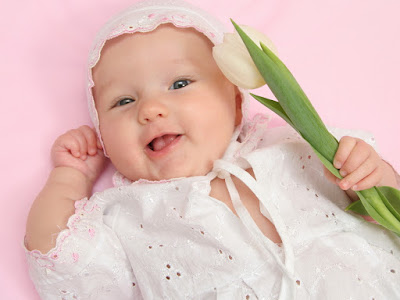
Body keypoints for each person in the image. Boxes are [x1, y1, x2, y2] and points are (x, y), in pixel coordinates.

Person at [24, 0, 400, 299]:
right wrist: (70, 178)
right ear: (103, 137)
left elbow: (385, 210)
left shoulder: (294, 149)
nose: (150, 109)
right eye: (123, 101)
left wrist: (373, 174)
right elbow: (63, 268)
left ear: (236, 101)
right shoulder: (128, 215)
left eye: (180, 83)